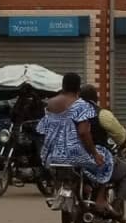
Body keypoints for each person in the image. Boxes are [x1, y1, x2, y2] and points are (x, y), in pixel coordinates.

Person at [37, 73, 114, 212]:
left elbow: (42, 129)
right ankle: (101, 198)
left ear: (63, 86)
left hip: (50, 155)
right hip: (74, 155)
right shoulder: (80, 105)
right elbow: (84, 132)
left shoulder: (50, 104)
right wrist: (95, 154)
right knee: (106, 158)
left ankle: (71, 187)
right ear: (78, 88)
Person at [80, 84, 126, 204]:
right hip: (95, 157)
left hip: (73, 158)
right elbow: (121, 137)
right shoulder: (102, 114)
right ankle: (117, 204)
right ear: (96, 99)